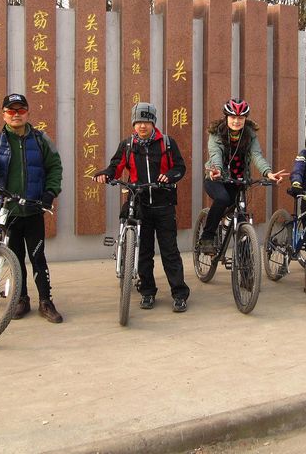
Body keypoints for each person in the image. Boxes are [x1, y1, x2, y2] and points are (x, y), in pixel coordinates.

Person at [0, 93, 64, 323]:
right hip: (9, 211)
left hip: (33, 209)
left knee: (38, 256)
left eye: (21, 110)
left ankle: (45, 301)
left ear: (28, 113)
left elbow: (55, 166)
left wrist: (50, 192)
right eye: (11, 111)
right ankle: (21, 299)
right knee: (15, 258)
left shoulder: (41, 139)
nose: (16, 115)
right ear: (4, 114)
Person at [94, 102, 190, 313]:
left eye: (146, 121)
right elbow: (115, 167)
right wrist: (106, 174)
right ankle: (147, 292)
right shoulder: (128, 145)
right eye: (138, 122)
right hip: (140, 204)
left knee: (170, 251)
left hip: (164, 204)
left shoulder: (167, 143)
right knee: (144, 251)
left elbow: (180, 167)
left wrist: (169, 176)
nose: (142, 126)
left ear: (153, 123)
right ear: (133, 124)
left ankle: (179, 294)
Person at [197, 98, 288, 254]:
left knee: (241, 214)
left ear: (245, 118)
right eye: (233, 117)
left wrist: (268, 173)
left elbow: (256, 155)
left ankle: (246, 260)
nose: (236, 121)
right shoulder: (217, 133)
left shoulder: (249, 135)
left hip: (238, 180)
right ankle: (207, 237)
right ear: (226, 117)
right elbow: (215, 154)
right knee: (223, 199)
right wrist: (217, 170)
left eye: (240, 118)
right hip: (216, 178)